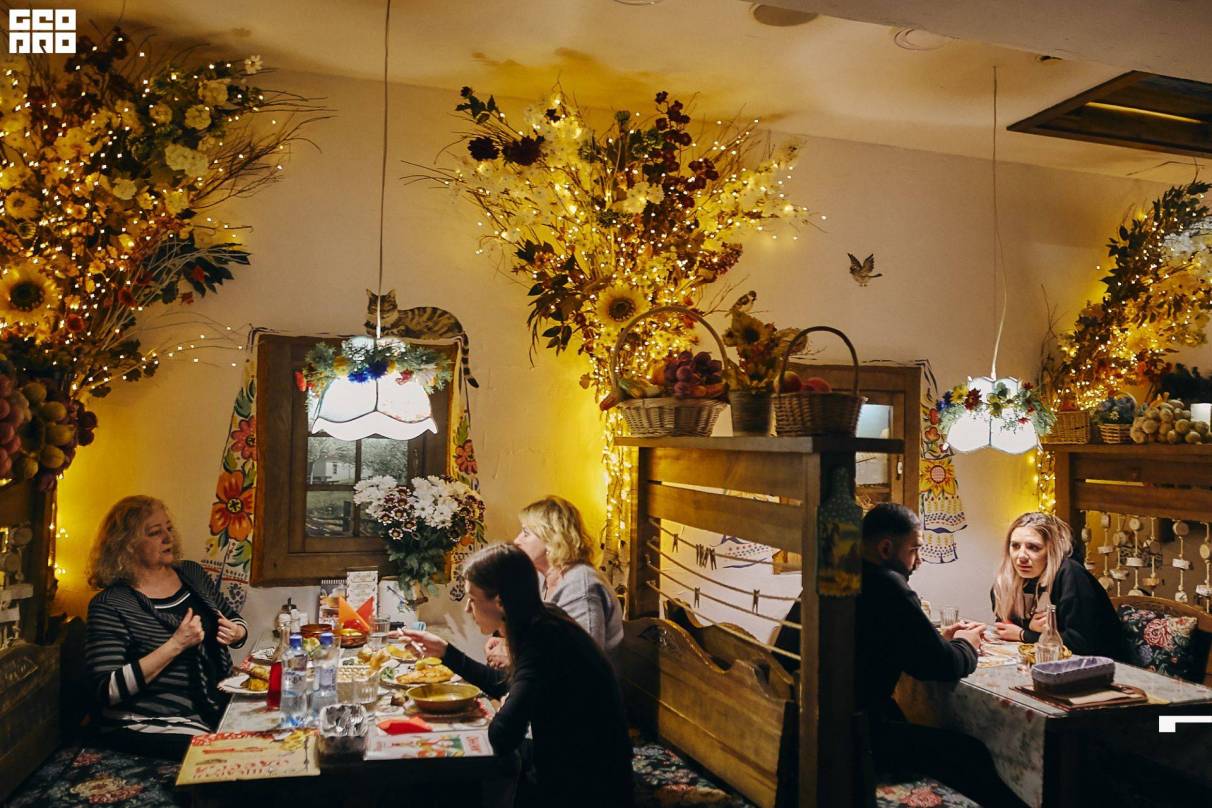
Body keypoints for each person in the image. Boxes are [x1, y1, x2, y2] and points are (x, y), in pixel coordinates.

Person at [402, 543, 633, 808]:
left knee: (447, 788)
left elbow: (502, 736)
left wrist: (506, 705)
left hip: (588, 786)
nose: (467, 609)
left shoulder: (543, 640)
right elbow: (504, 684)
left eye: (473, 600)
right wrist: (445, 652)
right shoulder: (543, 619)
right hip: (577, 765)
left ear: (500, 601)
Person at [857, 503, 1024, 808]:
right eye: (914, 550)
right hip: (861, 740)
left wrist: (940, 641)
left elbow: (902, 649)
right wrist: (967, 644)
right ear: (886, 548)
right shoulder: (888, 584)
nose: (918, 560)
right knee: (971, 753)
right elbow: (941, 666)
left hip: (836, 727)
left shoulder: (843, 575)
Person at [84, 496, 247, 759]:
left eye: (168, 528)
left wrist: (237, 632)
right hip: (149, 720)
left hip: (208, 706)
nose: (168, 537)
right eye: (154, 532)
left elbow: (234, 619)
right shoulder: (111, 604)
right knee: (231, 757)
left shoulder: (191, 573)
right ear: (126, 545)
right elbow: (106, 690)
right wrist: (176, 645)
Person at [486, 496, 622, 669]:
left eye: (526, 533)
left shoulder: (581, 584)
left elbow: (584, 663)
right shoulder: (542, 578)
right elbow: (545, 643)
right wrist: (509, 646)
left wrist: (515, 655)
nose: (517, 541)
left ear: (552, 538)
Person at [990, 512, 1123, 659]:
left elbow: (1081, 643)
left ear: (1052, 549)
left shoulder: (1072, 574)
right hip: (1049, 661)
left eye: (1033, 547)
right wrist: (1029, 629)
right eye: (1015, 546)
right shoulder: (1007, 580)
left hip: (1105, 665)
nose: (1021, 556)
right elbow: (1006, 628)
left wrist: (1024, 634)